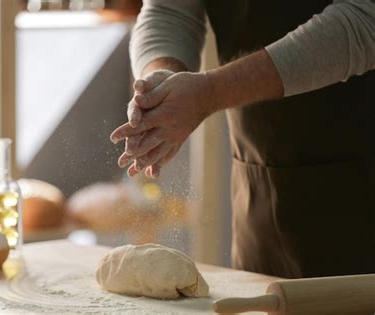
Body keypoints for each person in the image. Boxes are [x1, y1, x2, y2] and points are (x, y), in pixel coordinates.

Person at [110, 0, 375, 278]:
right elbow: (169, 11)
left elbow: (365, 19)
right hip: (259, 194)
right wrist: (159, 82)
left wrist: (210, 92)